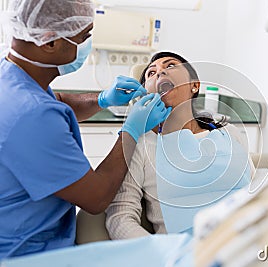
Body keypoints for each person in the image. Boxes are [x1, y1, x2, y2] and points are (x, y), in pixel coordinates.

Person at [0, 0, 170, 259]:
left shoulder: (14, 76)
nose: (86, 44)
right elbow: (98, 198)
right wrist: (131, 130)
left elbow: (57, 101)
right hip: (26, 252)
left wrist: (102, 99)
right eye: (83, 36)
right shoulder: (31, 115)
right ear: (49, 42)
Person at [106, 51, 255, 239]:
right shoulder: (140, 145)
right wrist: (163, 256)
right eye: (151, 73)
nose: (159, 72)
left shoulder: (229, 132)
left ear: (194, 85)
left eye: (170, 66)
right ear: (146, 92)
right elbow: (120, 217)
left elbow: (255, 189)